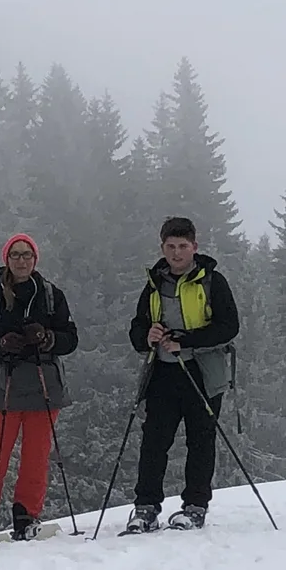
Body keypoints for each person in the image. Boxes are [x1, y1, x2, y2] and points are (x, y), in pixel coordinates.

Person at [124, 216, 240, 532]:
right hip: (162, 372)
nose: (177, 253)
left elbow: (229, 327)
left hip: (202, 373)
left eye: (183, 246)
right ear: (162, 247)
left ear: (194, 247)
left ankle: (195, 506)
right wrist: (147, 336)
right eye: (171, 247)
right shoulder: (154, 283)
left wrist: (185, 339)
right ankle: (146, 508)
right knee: (154, 441)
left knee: (201, 440)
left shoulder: (213, 281)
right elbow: (137, 328)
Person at [0, 233, 78, 544]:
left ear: (35, 259)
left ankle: (27, 516)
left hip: (42, 383)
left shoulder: (52, 294)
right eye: (15, 255)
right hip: (5, 384)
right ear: (6, 259)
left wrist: (47, 338)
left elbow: (70, 338)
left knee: (36, 455)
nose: (21, 260)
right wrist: (1, 346)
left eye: (26, 255)